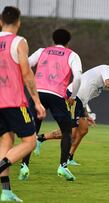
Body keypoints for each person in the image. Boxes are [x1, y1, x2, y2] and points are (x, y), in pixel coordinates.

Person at [33, 60, 109, 166]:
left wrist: (86, 114)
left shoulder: (100, 77)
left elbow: (86, 95)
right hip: (73, 97)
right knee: (71, 132)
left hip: (79, 101)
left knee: (83, 129)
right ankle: (40, 138)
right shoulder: (106, 68)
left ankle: (69, 157)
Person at [20, 28, 82, 181]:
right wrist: (73, 96)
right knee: (67, 131)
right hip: (57, 95)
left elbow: (25, 65)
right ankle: (63, 166)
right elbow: (78, 77)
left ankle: (24, 166)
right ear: (68, 42)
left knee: (32, 131)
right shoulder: (72, 55)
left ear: (53, 40)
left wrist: (32, 83)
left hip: (38, 93)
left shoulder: (42, 51)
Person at [0, 6, 46, 202]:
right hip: (13, 103)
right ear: (18, 23)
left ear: (1, 21)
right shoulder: (19, 41)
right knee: (30, 141)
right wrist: (37, 101)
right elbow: (27, 73)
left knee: (6, 142)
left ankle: (6, 192)